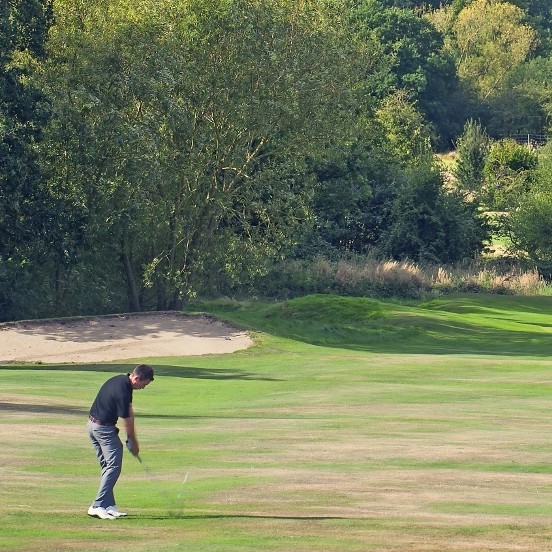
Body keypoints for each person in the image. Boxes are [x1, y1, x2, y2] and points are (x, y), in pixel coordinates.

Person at [87, 364, 154, 520]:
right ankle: (97, 505)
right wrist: (133, 442)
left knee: (107, 466)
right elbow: (127, 419)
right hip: (102, 429)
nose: (144, 388)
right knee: (113, 466)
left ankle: (108, 504)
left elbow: (129, 410)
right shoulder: (123, 389)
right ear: (137, 378)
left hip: (92, 426)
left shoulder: (122, 381)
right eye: (144, 384)